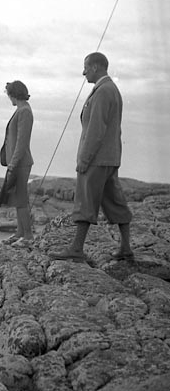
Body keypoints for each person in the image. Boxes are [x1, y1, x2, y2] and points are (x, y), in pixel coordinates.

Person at [51, 52, 133, 262]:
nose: (83, 72)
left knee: (85, 202)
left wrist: (84, 160)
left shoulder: (103, 91)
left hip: (97, 159)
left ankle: (76, 249)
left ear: (95, 67)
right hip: (110, 157)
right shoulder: (111, 89)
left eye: (86, 67)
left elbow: (96, 130)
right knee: (115, 202)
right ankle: (125, 247)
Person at [0, 80, 34, 246]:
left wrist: (13, 162)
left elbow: (22, 141)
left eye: (9, 95)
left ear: (14, 94)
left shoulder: (24, 111)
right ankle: (20, 232)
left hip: (20, 162)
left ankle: (28, 237)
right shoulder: (21, 110)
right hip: (16, 161)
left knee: (21, 200)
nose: (9, 98)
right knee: (16, 199)